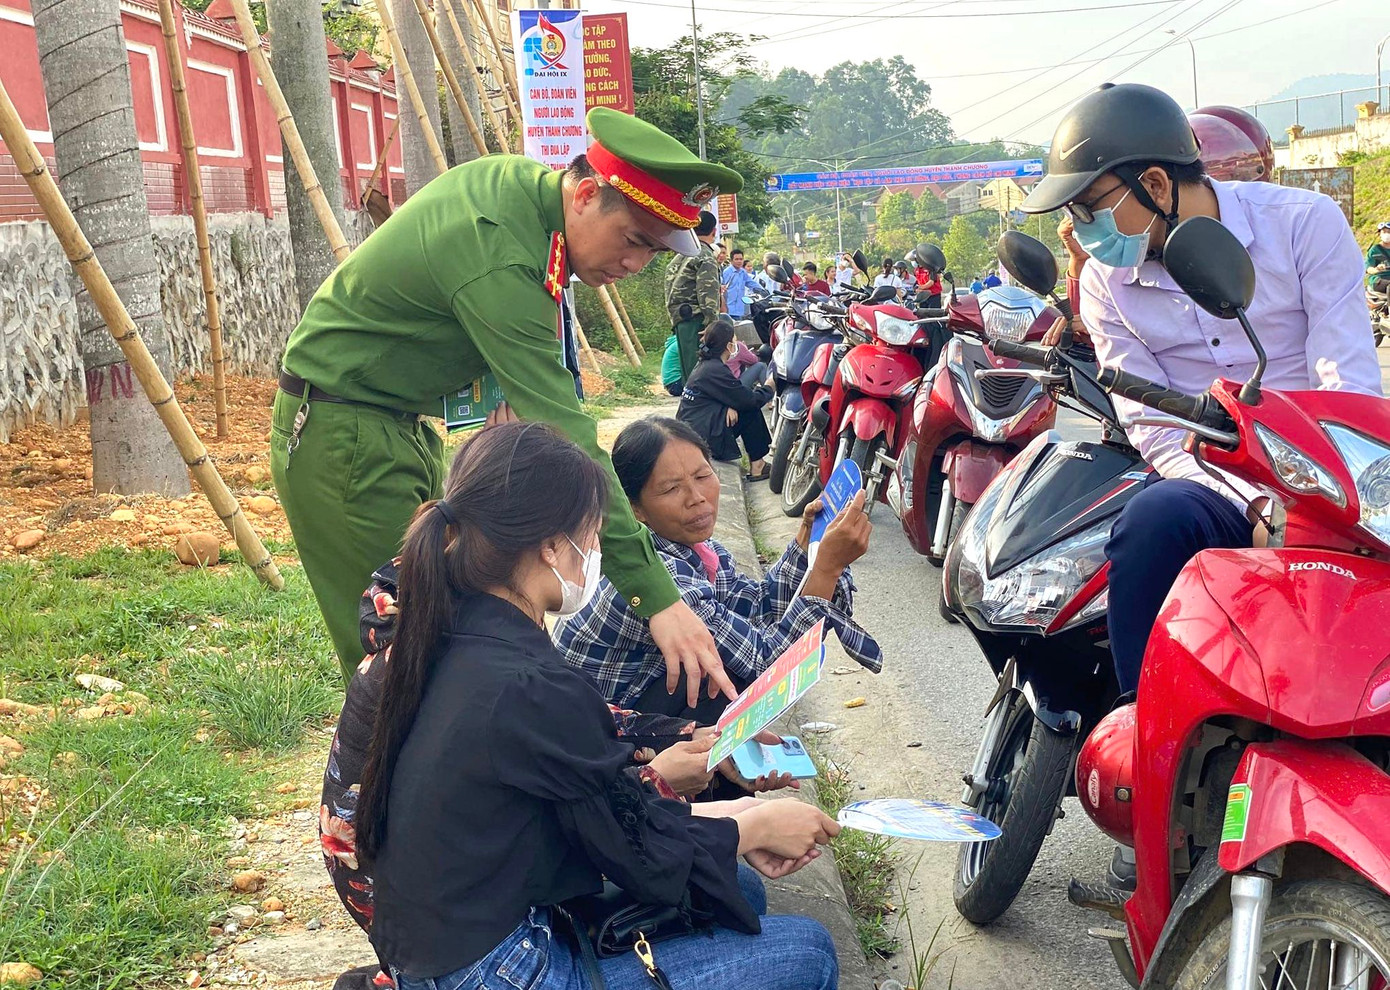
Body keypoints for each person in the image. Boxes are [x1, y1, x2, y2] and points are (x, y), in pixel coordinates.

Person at [272, 105, 740, 706]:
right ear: (586, 194)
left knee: (452, 637)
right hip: (342, 438)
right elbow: (569, 433)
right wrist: (659, 598)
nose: (633, 265)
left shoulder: (526, 200)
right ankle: (377, 797)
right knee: (405, 656)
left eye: (652, 253)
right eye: (632, 241)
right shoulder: (505, 247)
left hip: (394, 424)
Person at [351, 422, 842, 990]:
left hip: (446, 937)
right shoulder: (528, 680)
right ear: (553, 545)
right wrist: (752, 827)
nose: (598, 552)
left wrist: (737, 810)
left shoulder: (434, 625)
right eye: (594, 533)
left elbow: (594, 809)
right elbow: (633, 850)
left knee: (740, 889)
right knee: (808, 952)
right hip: (498, 969)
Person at [1019, 81, 1384, 699]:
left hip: (1324, 479)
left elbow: (1347, 383)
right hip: (1212, 480)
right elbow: (1152, 424)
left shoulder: (1302, 227)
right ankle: (1144, 724)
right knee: (1152, 521)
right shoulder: (1109, 280)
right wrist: (1254, 503)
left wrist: (1306, 501)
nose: (1082, 230)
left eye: (1089, 208)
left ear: (1156, 186)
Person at [555, 417, 882, 722]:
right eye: (671, 489)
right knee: (723, 671)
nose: (697, 498)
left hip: (642, 704)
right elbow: (767, 668)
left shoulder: (700, 550)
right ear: (635, 509)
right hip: (604, 730)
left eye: (702, 476)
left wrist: (806, 539)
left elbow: (757, 606)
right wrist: (827, 567)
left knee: (718, 657)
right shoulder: (657, 575)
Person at [676, 321, 776, 483]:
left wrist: (729, 405)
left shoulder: (705, 365)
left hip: (694, 428)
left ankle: (757, 464)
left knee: (743, 406)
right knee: (750, 410)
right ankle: (757, 465)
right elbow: (750, 401)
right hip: (704, 437)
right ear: (729, 346)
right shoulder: (716, 370)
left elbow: (722, 394)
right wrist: (769, 387)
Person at [665, 210, 722, 382]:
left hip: (680, 320)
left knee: (688, 372)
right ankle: (700, 408)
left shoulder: (679, 256)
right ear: (714, 231)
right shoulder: (705, 257)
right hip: (698, 322)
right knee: (700, 373)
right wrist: (713, 323)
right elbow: (708, 294)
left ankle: (691, 406)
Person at [722, 248, 760, 320]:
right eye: (736, 259)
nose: (739, 261)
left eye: (741, 259)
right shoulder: (727, 272)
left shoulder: (743, 272)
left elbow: (751, 283)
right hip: (728, 309)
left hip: (739, 310)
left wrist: (763, 291)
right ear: (731, 260)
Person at [1367, 221, 1390, 294]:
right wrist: (1376, 269)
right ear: (1379, 234)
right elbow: (1368, 268)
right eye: (1384, 232)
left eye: (1389, 232)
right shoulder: (1374, 250)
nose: (1387, 234)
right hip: (1378, 280)